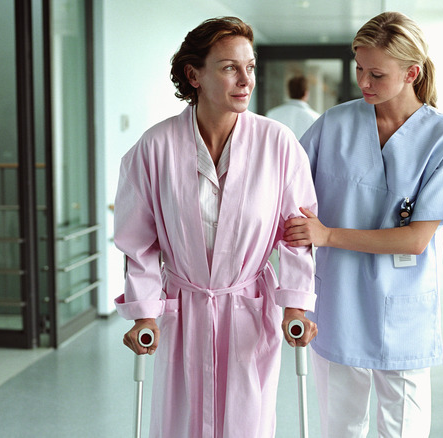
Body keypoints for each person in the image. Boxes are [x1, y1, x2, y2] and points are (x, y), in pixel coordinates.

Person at [113, 16, 318, 438]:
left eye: (251, 66)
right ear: (194, 75)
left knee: (248, 422)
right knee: (181, 420)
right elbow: (140, 244)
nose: (246, 80)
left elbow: (297, 233)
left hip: (249, 308)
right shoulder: (154, 149)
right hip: (184, 307)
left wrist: (295, 304)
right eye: (229, 68)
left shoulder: (278, 144)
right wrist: (144, 314)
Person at [284, 12, 443, 438]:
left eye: (376, 73)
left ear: (412, 73)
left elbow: (413, 240)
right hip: (337, 299)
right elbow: (288, 199)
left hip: (404, 303)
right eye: (359, 69)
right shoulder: (333, 124)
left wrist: (329, 234)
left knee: (404, 427)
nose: (364, 82)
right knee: (340, 425)